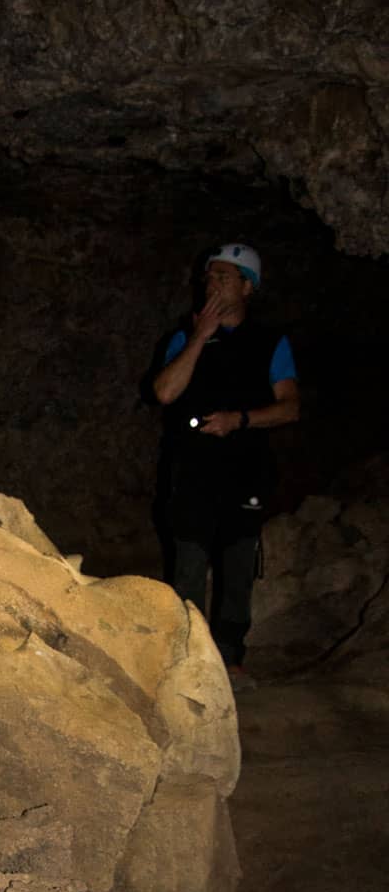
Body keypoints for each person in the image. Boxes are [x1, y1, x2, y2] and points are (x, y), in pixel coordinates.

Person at [152, 242, 299, 687]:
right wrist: (200, 336)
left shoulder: (271, 342)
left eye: (222, 277)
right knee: (190, 563)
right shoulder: (183, 336)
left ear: (247, 286)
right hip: (192, 469)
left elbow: (290, 407)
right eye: (208, 276)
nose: (211, 283)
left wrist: (241, 420)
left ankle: (232, 658)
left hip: (245, 469)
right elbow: (164, 393)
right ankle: (189, 658)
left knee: (237, 565)